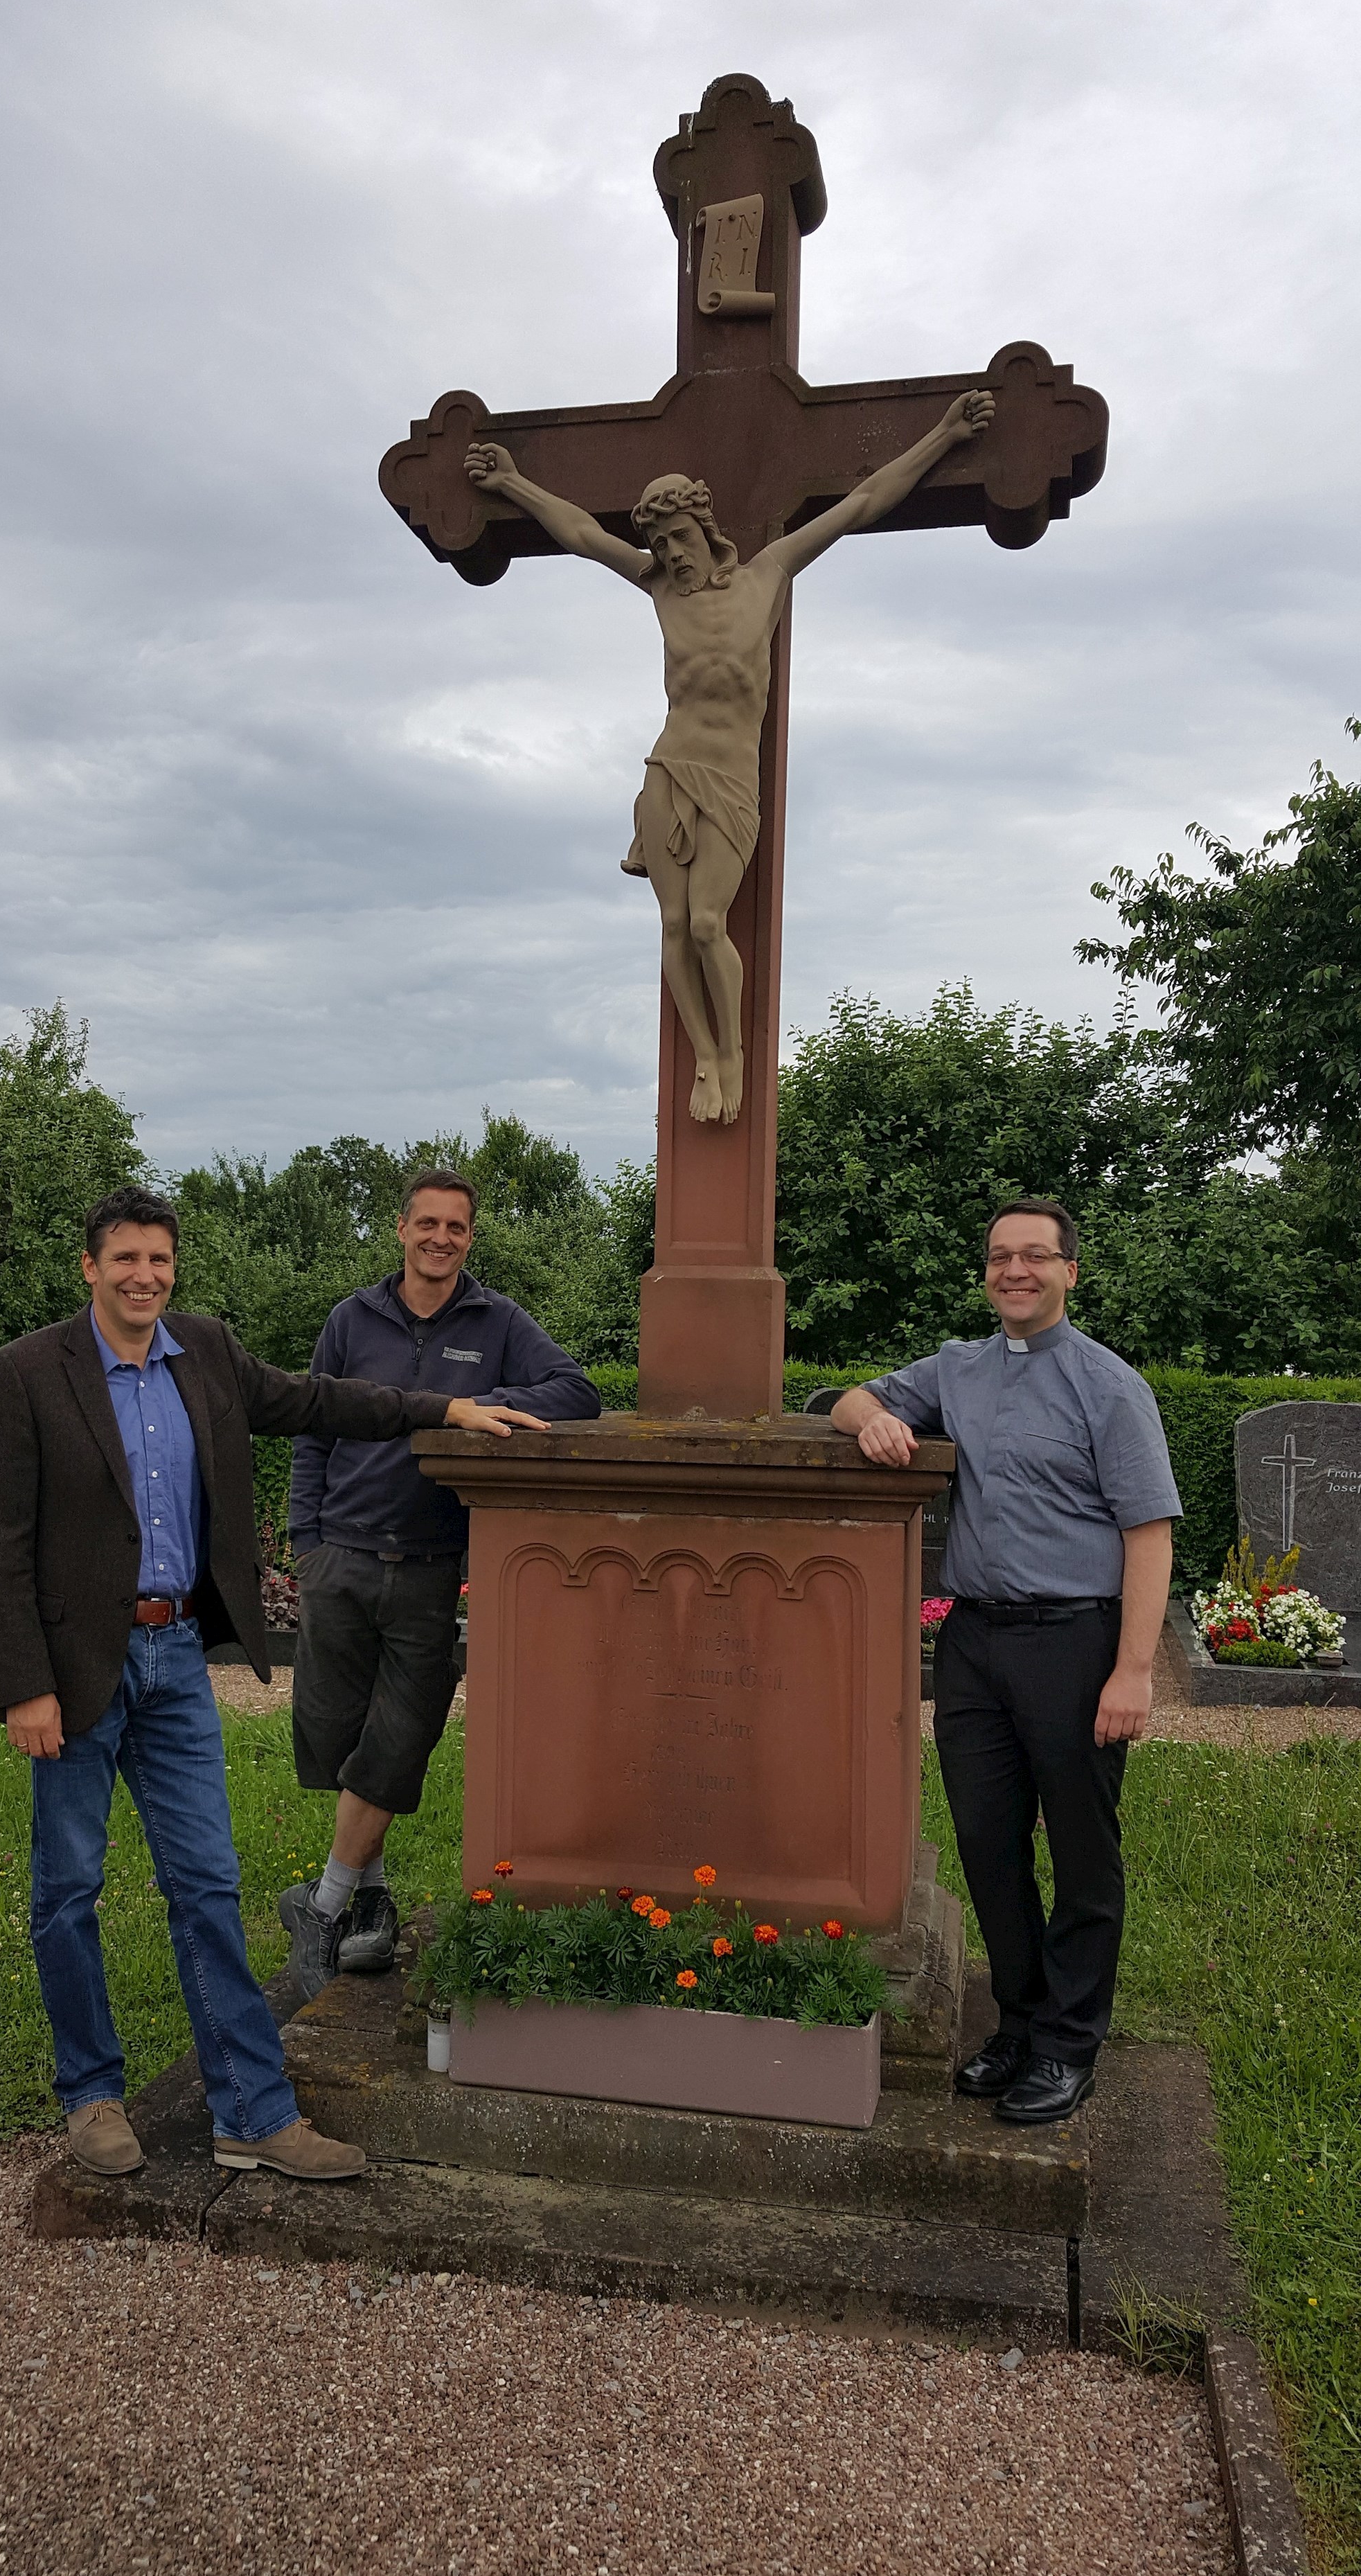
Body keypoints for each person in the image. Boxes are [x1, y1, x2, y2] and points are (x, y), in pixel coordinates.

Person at [0, 1183, 544, 2185]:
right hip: (74, 1675)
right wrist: (26, 1684)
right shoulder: (28, 1373)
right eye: (125, 1260)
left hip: (179, 1657)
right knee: (68, 1892)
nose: (144, 1277)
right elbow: (1, 1544)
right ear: (90, 1269)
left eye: (159, 1259)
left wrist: (443, 1406)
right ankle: (92, 2094)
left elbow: (322, 1401)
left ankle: (253, 2110)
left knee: (207, 1884)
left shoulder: (208, 1353)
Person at [463, 387, 993, 1126]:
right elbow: (582, 534)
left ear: (703, 527)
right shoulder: (657, 589)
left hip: (730, 779)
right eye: (658, 545)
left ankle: (733, 1053)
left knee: (709, 923)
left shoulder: (768, 575)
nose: (668, 554)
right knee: (674, 928)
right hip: (668, 769)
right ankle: (704, 1057)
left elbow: (866, 500)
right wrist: (511, 483)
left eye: (677, 537)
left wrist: (944, 435)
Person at [829, 1200, 1180, 2124]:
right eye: (999, 1257)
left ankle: (1071, 2042)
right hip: (976, 1642)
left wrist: (1133, 1671)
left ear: (1071, 1270)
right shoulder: (959, 1369)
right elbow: (848, 1399)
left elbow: (1149, 1533)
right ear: (985, 1272)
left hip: (1074, 1641)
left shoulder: (1110, 1387)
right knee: (988, 1843)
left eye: (1035, 1256)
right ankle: (1022, 2021)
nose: (1015, 1271)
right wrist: (871, 1423)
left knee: (1080, 1850)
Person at [280, 1167, 600, 1997]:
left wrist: (467, 1403)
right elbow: (312, 1425)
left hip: (429, 1563)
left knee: (399, 1738)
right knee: (339, 1737)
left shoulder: (496, 1321)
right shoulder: (353, 1317)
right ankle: (371, 1908)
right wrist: (305, 1539)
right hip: (339, 1555)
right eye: (428, 1223)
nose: (441, 1239)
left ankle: (323, 1903)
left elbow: (578, 1391)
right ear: (400, 1228)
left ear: (470, 1237)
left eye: (456, 1227)